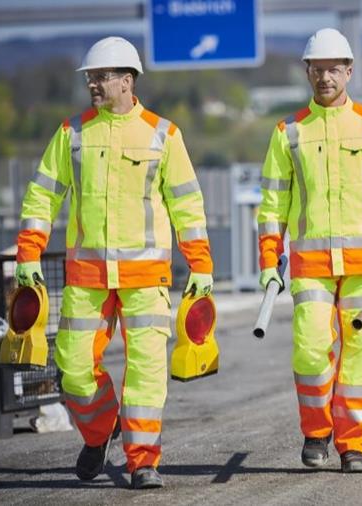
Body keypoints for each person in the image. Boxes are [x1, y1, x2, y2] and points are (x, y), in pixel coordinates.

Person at [14, 36, 213, 489]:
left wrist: (200, 265)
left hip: (146, 277)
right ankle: (102, 433)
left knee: (145, 371)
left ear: (128, 81)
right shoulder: (72, 133)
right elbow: (42, 193)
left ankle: (143, 461)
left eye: (102, 77)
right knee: (74, 368)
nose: (93, 84)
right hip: (87, 278)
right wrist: (28, 251)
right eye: (90, 78)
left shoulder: (164, 135)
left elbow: (188, 206)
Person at [257, 28, 362, 473]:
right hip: (310, 266)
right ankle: (316, 431)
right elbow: (273, 203)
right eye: (317, 68)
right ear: (307, 72)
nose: (325, 76)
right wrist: (269, 261)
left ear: (349, 71)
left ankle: (354, 445)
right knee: (310, 350)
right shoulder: (288, 132)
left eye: (334, 68)